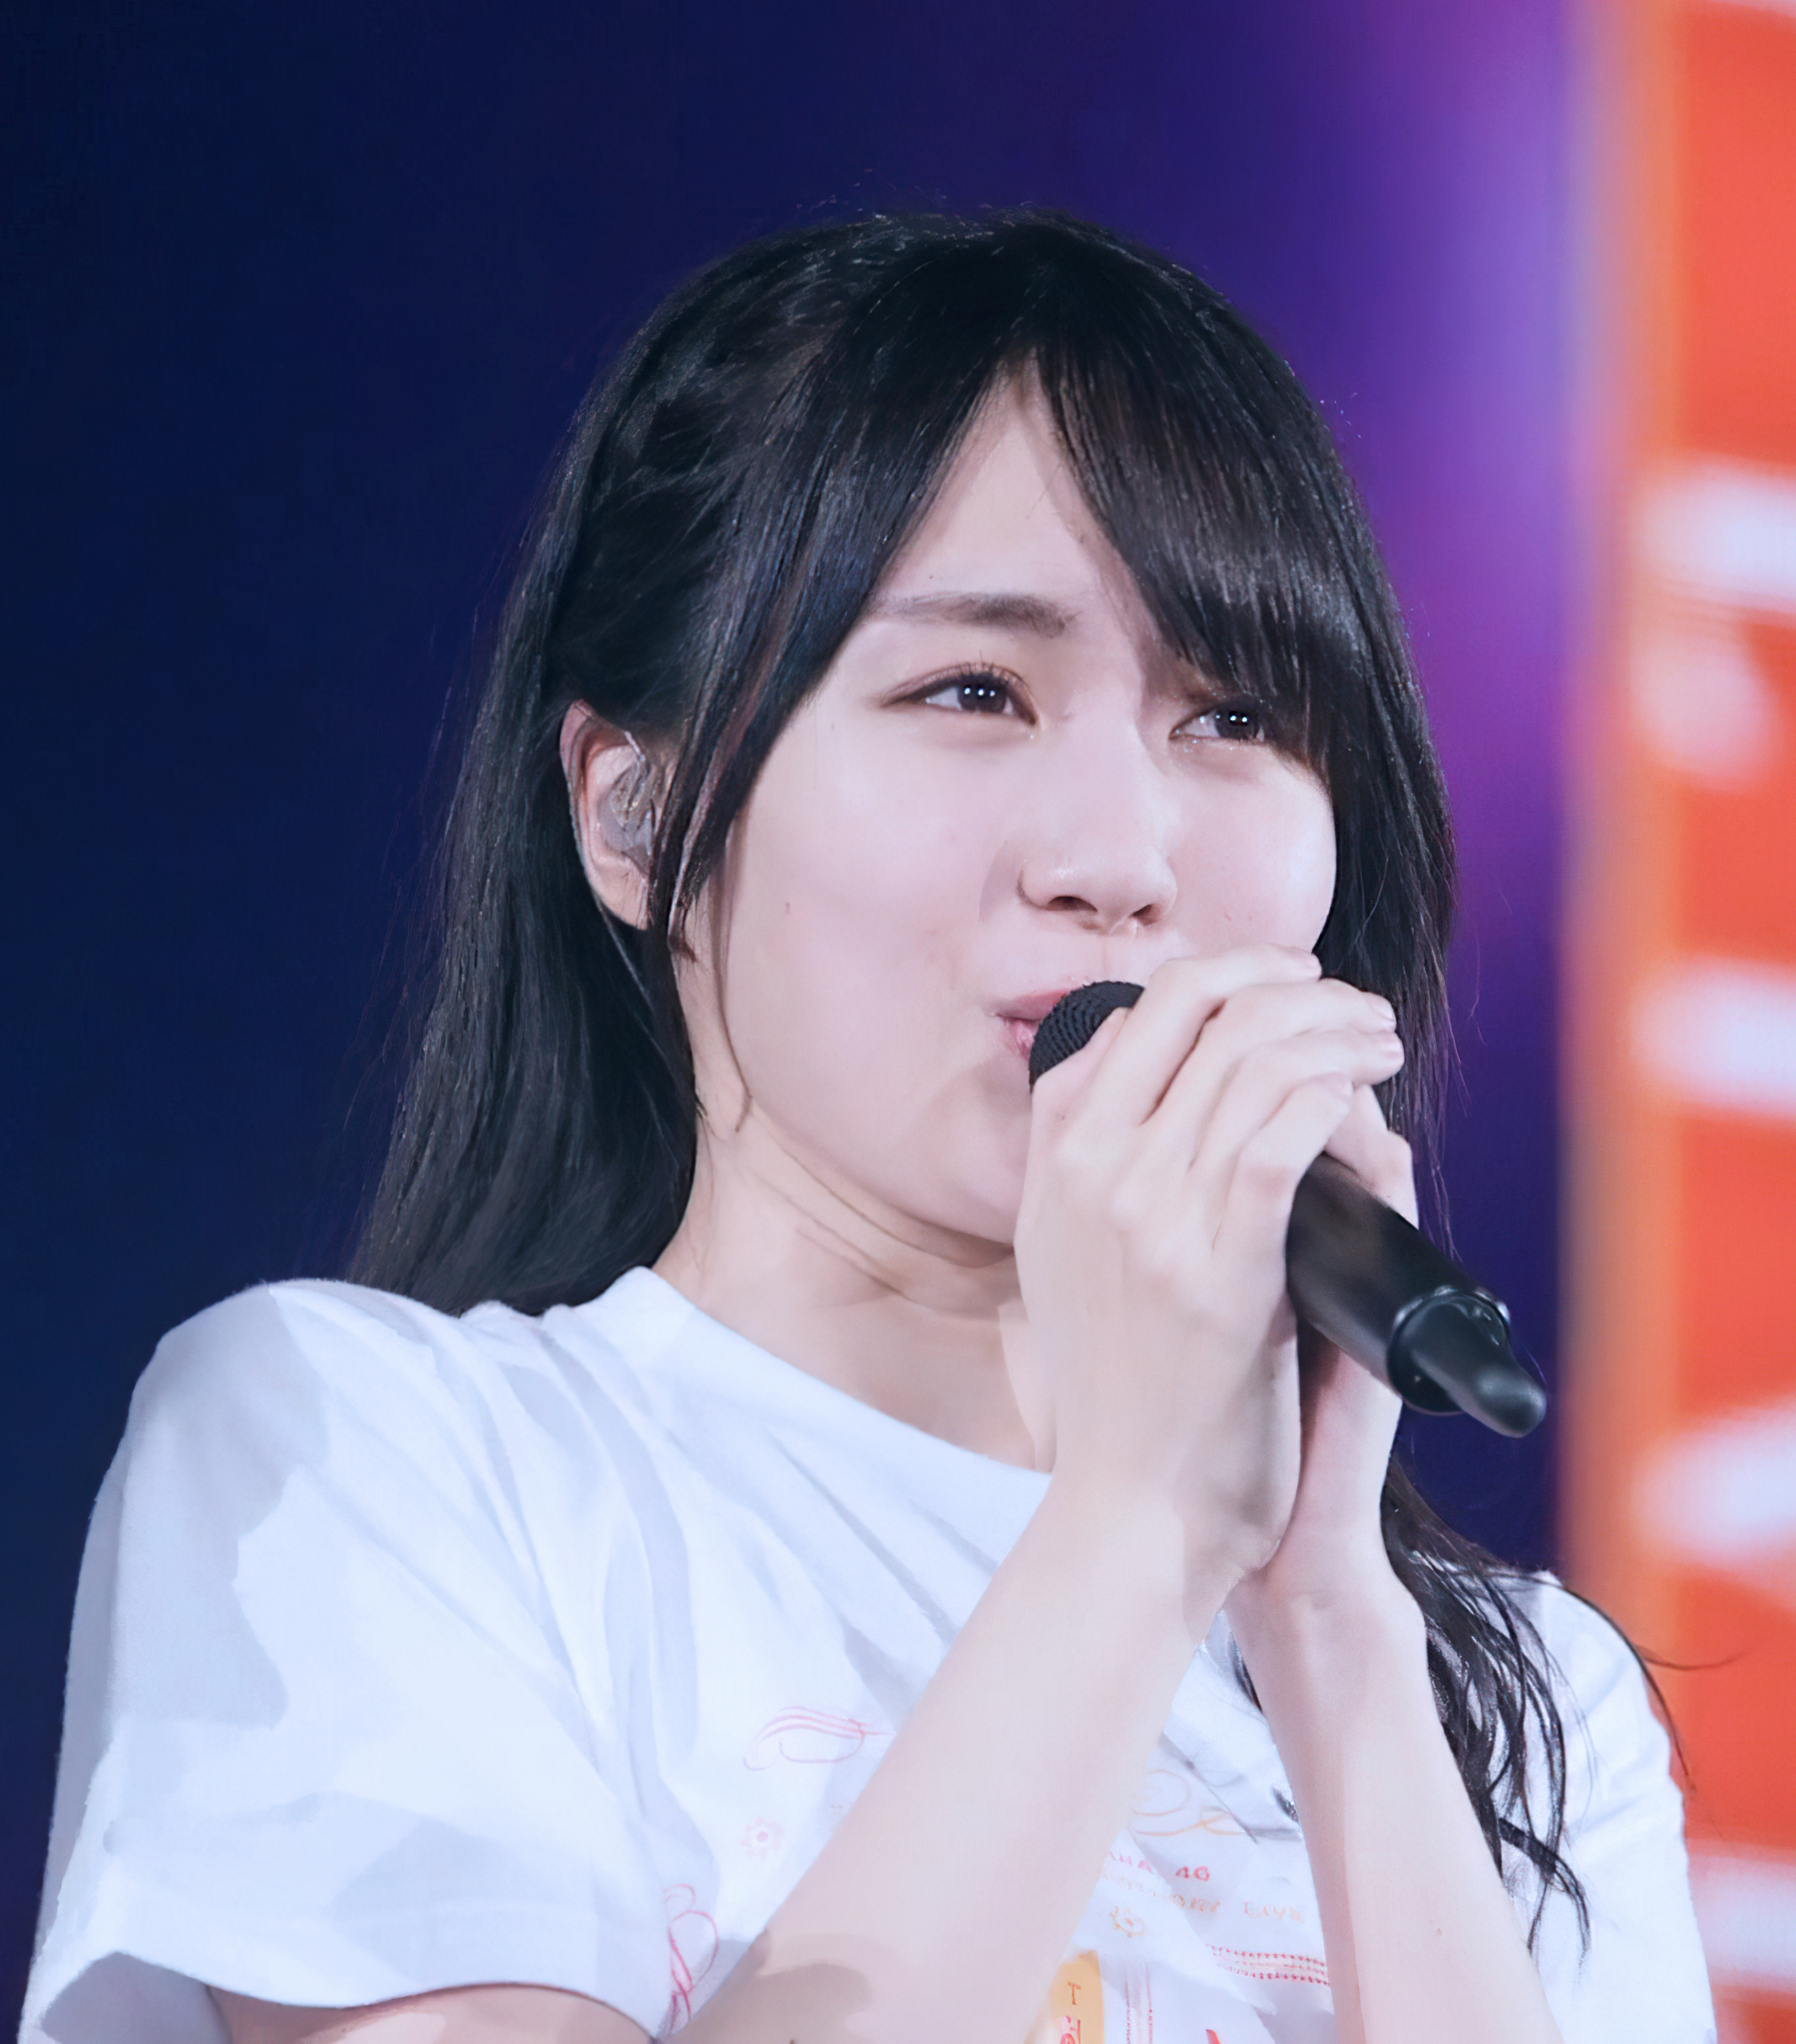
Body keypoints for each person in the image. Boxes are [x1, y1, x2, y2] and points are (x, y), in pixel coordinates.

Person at [22, 211, 1714, 2044]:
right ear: (635, 815)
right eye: (974, 692)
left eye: (1233, 714)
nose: (1122, 859)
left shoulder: (1535, 1707)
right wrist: (1139, 1529)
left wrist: (1328, 1624)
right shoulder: (379, 1466)